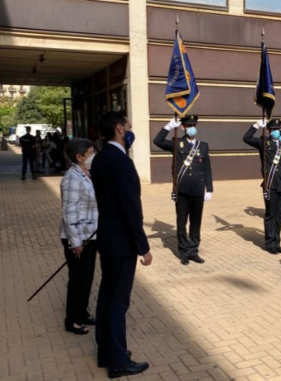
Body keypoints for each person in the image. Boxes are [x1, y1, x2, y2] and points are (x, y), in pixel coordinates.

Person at [91, 111, 152, 378]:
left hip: (107, 239)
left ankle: (105, 351)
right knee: (118, 303)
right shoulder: (121, 162)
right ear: (119, 129)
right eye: (128, 126)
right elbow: (130, 208)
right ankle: (118, 361)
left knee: (106, 297)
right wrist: (143, 245)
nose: (130, 131)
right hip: (122, 242)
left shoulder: (100, 159)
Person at [153, 115, 213, 266]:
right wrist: (168, 126)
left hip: (198, 190)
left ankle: (194, 251)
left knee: (196, 223)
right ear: (182, 127)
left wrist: (209, 189)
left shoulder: (203, 146)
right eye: (188, 125)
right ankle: (184, 252)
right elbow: (157, 141)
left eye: (194, 125)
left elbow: (207, 169)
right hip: (182, 190)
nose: (192, 128)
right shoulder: (176, 144)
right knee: (181, 223)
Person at [60, 138, 98, 335]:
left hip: (90, 236)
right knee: (77, 279)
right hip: (78, 238)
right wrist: (75, 242)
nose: (94, 155)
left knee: (87, 278)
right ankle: (72, 319)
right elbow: (69, 212)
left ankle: (82, 312)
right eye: (91, 153)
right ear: (79, 157)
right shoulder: (72, 178)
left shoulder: (88, 173)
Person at [243, 118, 281, 254]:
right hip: (270, 185)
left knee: (279, 216)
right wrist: (256, 125)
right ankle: (269, 243)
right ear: (268, 130)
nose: (276, 131)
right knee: (270, 214)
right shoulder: (263, 143)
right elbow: (246, 138)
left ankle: (277, 242)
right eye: (273, 129)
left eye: (278, 129)